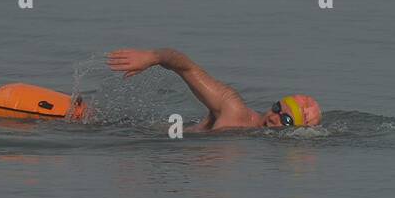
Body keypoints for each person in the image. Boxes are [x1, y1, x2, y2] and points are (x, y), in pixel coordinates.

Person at [107, 48, 321, 131]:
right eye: (277, 108)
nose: (275, 118)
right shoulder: (233, 109)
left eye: (286, 121)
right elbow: (186, 66)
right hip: (131, 135)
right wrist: (151, 58)